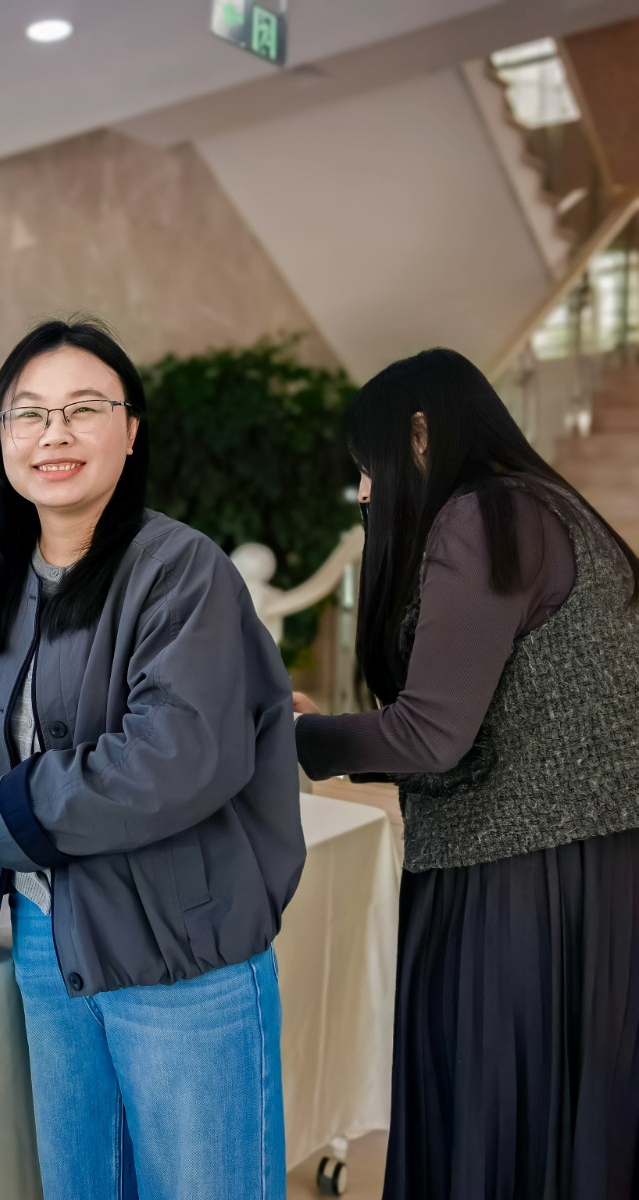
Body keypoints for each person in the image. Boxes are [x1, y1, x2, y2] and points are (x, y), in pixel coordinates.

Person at [0, 317, 304, 1198]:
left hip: (181, 955)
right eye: (28, 413)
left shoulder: (182, 570)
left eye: (84, 409)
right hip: (47, 944)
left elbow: (173, 754)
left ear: (131, 431)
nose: (53, 434)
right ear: (2, 439)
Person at [292, 348, 639, 1199]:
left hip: (514, 876)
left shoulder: (481, 516)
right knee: (563, 1127)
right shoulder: (553, 505)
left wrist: (298, 739)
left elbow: (431, 734)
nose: (365, 492)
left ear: (419, 435)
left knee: (490, 1122)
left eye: (369, 466)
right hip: (589, 863)